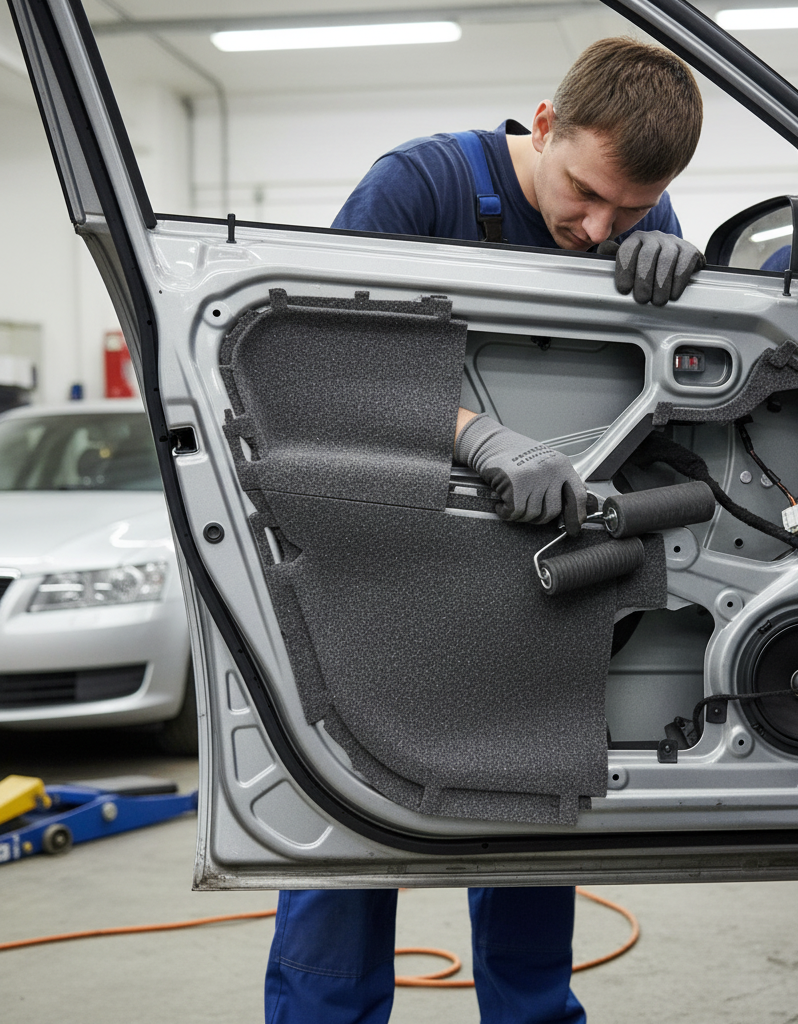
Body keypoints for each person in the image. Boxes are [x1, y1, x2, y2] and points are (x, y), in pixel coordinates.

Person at [265, 36, 704, 1024]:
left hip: (535, 569)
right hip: (384, 556)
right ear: (542, 126)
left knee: (530, 803)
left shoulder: (641, 209)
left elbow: (674, 384)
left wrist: (691, 281)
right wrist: (476, 437)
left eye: (631, 212)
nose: (598, 230)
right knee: (350, 815)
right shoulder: (417, 187)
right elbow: (316, 364)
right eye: (587, 195)